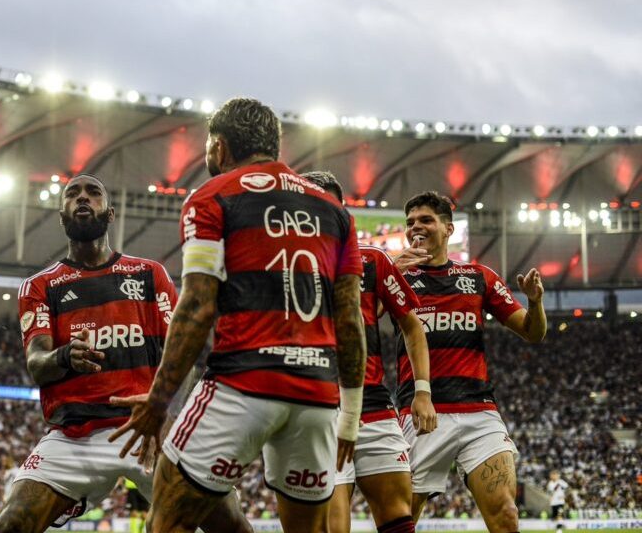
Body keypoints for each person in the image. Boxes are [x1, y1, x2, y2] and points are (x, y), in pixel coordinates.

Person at [109, 98, 368, 533]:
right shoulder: (335, 211)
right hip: (318, 398)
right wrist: (349, 418)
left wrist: (159, 401)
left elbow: (197, 305)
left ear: (219, 147)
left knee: (166, 522)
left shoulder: (213, 197)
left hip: (242, 385)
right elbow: (350, 320)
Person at [0, 174, 250, 533]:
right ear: (62, 215)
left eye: (93, 193)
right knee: (10, 526)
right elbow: (37, 365)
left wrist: (165, 410)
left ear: (110, 213)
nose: (82, 198)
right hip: (75, 437)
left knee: (233, 526)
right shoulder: (40, 286)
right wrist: (66, 356)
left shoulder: (149, 274)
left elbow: (183, 354)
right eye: (73, 194)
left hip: (149, 428)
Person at [393, 191, 547, 533]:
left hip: (479, 412)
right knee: (402, 520)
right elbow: (362, 320)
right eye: (411, 222)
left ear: (448, 229)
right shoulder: (394, 276)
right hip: (422, 413)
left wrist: (535, 304)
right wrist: (388, 276)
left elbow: (532, 333)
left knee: (506, 515)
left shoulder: (478, 277)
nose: (416, 227)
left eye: (426, 220)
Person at [301, 171, 437, 533]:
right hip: (319, 407)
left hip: (374, 404)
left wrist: (422, 391)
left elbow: (411, 325)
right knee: (334, 522)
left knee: (399, 516)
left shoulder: (372, 260)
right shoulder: (287, 264)